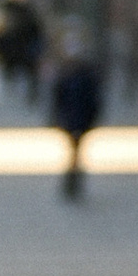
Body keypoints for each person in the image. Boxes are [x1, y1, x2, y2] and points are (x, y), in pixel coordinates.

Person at [46, 26, 103, 202]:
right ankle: (72, 180)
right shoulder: (67, 74)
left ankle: (73, 180)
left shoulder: (84, 74)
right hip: (71, 119)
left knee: (76, 150)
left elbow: (94, 99)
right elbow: (57, 98)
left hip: (80, 118)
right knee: (74, 150)